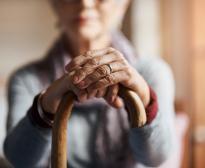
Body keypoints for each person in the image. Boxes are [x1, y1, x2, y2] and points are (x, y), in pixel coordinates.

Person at [3, 0, 176, 167]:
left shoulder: (152, 73)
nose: (85, 3)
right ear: (55, 4)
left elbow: (155, 158)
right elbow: (19, 161)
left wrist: (144, 101)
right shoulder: (26, 79)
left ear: (122, 5)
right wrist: (44, 108)